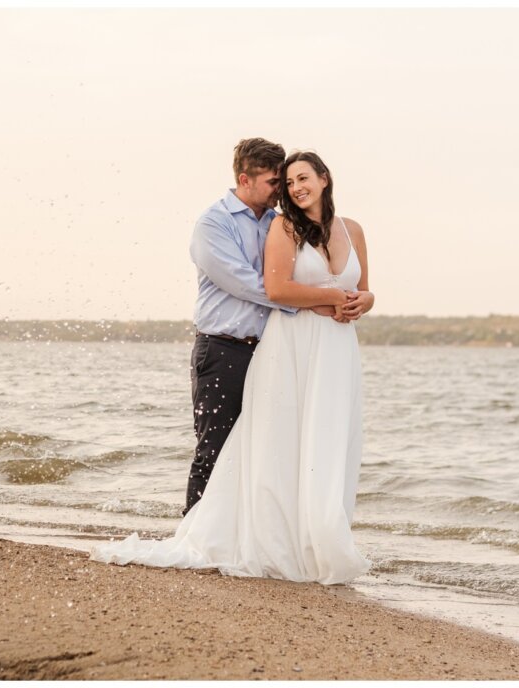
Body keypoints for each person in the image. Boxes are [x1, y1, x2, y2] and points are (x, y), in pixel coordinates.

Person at [90, 147, 374, 585]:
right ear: (245, 179)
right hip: (223, 348)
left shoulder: (296, 223)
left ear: (324, 178)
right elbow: (260, 286)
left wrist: (361, 299)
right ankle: (201, 530)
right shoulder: (217, 224)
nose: (287, 189)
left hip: (289, 348)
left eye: (296, 180)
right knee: (220, 447)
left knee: (297, 445)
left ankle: (305, 534)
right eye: (278, 181)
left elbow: (357, 287)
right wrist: (328, 300)